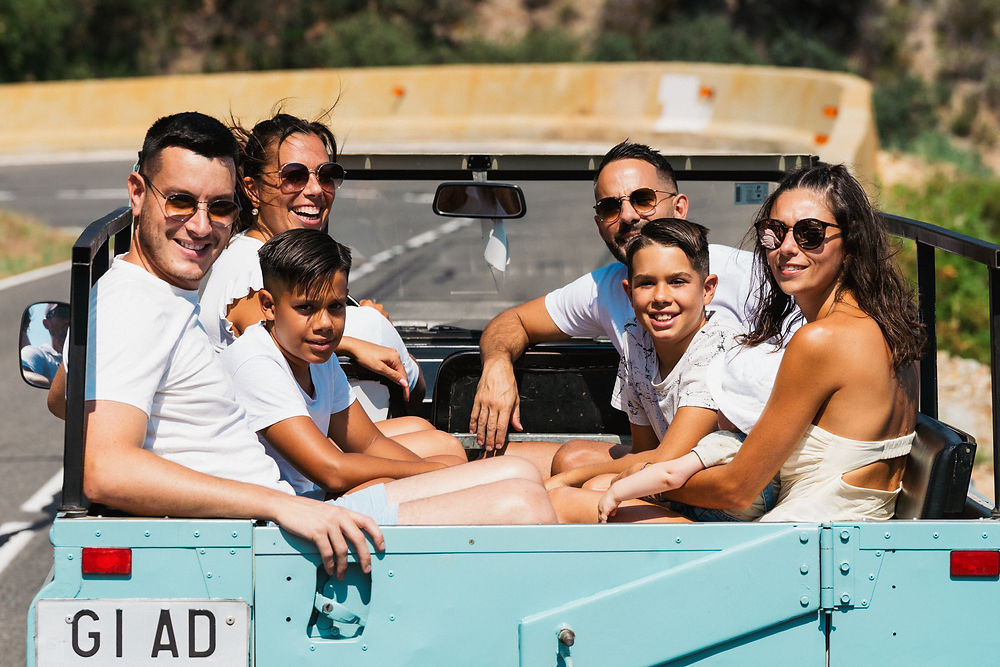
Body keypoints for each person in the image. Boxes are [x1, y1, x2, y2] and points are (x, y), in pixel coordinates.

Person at [562, 164, 923, 523]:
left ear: (852, 240)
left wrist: (643, 481)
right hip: (845, 530)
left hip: (804, 540)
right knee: (593, 485)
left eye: (810, 234)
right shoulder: (887, 326)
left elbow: (737, 489)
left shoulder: (821, 339)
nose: (786, 248)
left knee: (571, 502)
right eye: (774, 232)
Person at [220, 228, 557, 526]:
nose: (324, 323)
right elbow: (331, 470)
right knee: (517, 487)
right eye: (306, 308)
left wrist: (444, 477)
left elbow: (369, 443)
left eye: (336, 307)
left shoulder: (317, 358)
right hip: (292, 520)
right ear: (268, 305)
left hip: (315, 503)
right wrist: (432, 473)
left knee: (503, 470)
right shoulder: (255, 363)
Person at [470, 140, 762, 472]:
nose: (627, 216)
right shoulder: (607, 292)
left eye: (643, 199)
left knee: (577, 477)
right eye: (610, 207)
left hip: (731, 468)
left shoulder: (749, 275)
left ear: (679, 208)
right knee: (531, 461)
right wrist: (497, 364)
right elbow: (515, 321)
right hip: (663, 459)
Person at [198, 111, 457, 455]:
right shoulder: (250, 268)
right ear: (252, 189)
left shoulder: (278, 259)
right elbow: (261, 337)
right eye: (293, 176)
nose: (316, 189)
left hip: (302, 433)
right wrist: (355, 343)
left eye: (327, 175)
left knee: (423, 431)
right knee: (442, 447)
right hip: (272, 454)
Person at [546, 219, 775, 523]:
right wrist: (568, 476)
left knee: (593, 487)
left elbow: (667, 458)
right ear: (629, 293)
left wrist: (564, 481)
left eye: (677, 281)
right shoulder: (636, 339)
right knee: (572, 457)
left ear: (708, 289)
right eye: (646, 283)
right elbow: (645, 448)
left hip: (726, 503)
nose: (661, 297)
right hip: (671, 480)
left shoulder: (719, 348)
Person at [21, 302, 70, 386]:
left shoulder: (88, 357)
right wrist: (65, 387)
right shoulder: (37, 353)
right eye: (62, 313)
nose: (69, 319)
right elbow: (26, 374)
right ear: (46, 324)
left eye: (72, 315)